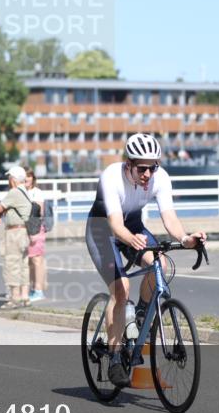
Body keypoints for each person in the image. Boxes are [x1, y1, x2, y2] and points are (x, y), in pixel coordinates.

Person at [85, 132, 207, 387]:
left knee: (159, 264)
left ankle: (140, 313)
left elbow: (169, 217)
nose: (147, 174)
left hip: (133, 226)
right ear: (128, 164)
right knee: (121, 289)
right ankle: (116, 356)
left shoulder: (159, 178)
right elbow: (116, 225)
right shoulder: (111, 177)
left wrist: (186, 238)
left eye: (153, 167)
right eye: (142, 168)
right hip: (103, 230)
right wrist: (130, 240)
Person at [0, 165, 32, 309]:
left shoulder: (15, 192)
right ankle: (24, 296)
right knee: (23, 265)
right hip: (24, 232)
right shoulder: (26, 192)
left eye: (9, 178)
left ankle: (14, 298)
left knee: (11, 264)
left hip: (14, 233)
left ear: (14, 179)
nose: (8, 180)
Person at [24, 166, 48, 302]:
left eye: (29, 175)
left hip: (35, 229)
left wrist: (32, 231)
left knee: (37, 259)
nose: (27, 178)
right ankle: (33, 289)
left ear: (33, 178)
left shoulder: (37, 192)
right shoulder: (20, 192)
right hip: (24, 230)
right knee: (29, 261)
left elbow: (39, 213)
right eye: (25, 176)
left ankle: (38, 290)